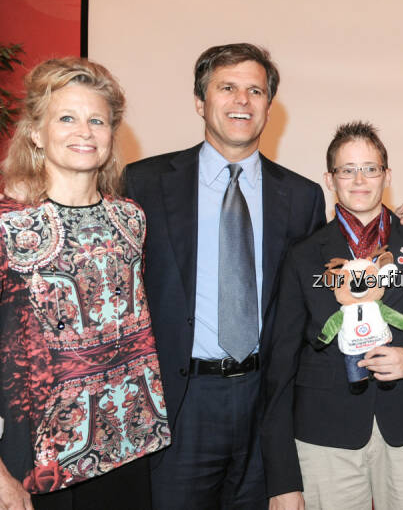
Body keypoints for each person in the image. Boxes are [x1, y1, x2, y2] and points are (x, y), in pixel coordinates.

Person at [122, 43, 325, 509]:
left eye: (255, 91)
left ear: (269, 107)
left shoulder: (302, 197)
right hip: (180, 403)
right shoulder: (143, 183)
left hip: (265, 405)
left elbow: (319, 294)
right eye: (227, 88)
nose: (242, 101)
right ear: (200, 102)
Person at [261, 121, 403, 510]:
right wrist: (281, 477)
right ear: (330, 179)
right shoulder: (303, 254)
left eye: (370, 168)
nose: (359, 179)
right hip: (326, 433)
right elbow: (280, 367)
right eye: (347, 169)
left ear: (387, 175)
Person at [0, 57, 171, 509]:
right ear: (36, 132)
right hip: (38, 466)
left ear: (112, 134)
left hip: (130, 450)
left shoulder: (131, 219)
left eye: (97, 120)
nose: (85, 131)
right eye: (67, 118)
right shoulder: (8, 225)